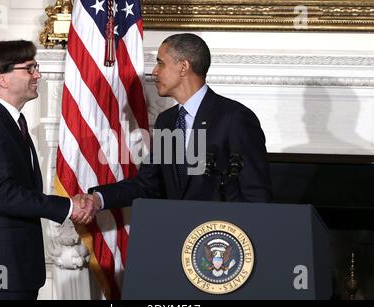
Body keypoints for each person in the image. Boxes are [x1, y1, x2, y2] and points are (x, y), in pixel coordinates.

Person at [85, 33, 272, 213]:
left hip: (221, 239)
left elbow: (255, 194)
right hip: (178, 232)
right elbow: (149, 183)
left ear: (183, 67)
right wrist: (98, 199)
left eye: (160, 63)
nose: (154, 72)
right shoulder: (166, 121)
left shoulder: (234, 118)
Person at [0, 40, 91, 300]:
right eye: (30, 68)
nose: (38, 75)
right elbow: (3, 193)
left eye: (37, 67)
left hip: (18, 266)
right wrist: (66, 207)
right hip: (0, 267)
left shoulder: (12, 122)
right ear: (2, 78)